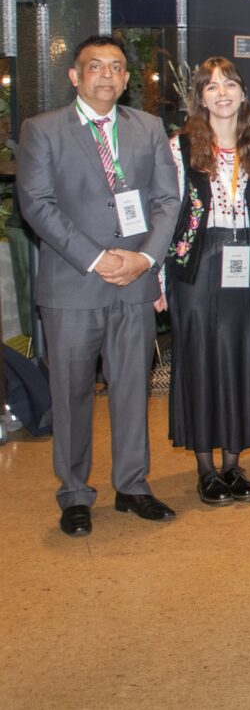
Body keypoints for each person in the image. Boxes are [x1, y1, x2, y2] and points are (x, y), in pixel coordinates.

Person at [18, 36, 181, 535]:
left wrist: (145, 258)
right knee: (71, 395)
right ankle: (74, 494)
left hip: (134, 282)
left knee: (132, 389)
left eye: (116, 67)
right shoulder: (43, 129)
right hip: (73, 285)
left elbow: (167, 200)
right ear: (75, 75)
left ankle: (132, 486)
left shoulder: (147, 127)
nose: (106, 75)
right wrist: (96, 258)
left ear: (127, 79)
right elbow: (37, 204)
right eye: (95, 66)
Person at [165, 58, 250, 507]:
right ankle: (205, 468)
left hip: (247, 258)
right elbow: (165, 211)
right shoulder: (180, 147)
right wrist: (155, 277)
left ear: (243, 93)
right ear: (200, 97)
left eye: (229, 84)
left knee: (242, 355)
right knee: (198, 357)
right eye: (211, 87)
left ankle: (232, 463)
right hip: (196, 260)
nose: (222, 93)